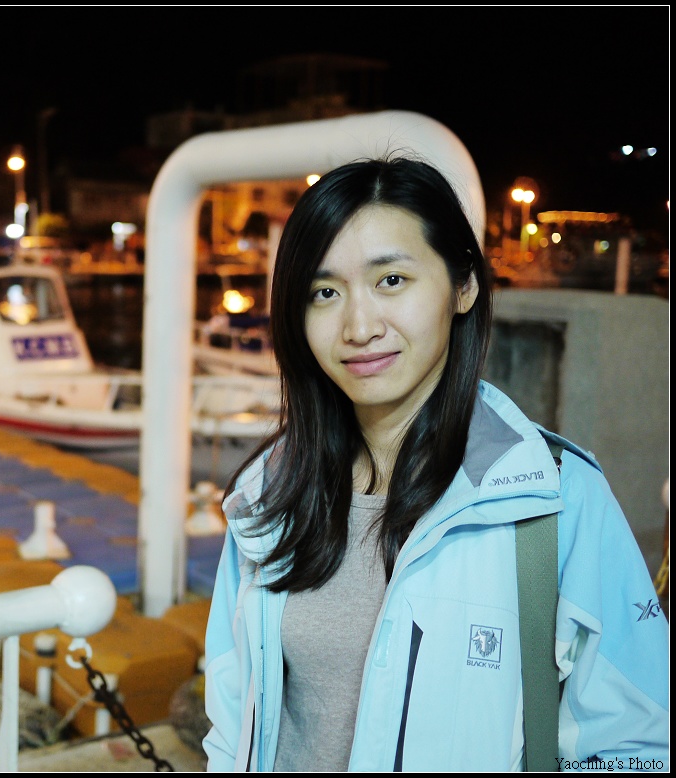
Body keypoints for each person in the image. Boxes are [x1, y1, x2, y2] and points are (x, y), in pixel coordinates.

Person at [202, 156, 670, 771]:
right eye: (325, 292)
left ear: (463, 286)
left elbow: (638, 743)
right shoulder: (270, 494)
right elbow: (231, 723)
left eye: (392, 280)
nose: (359, 327)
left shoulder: (555, 499)